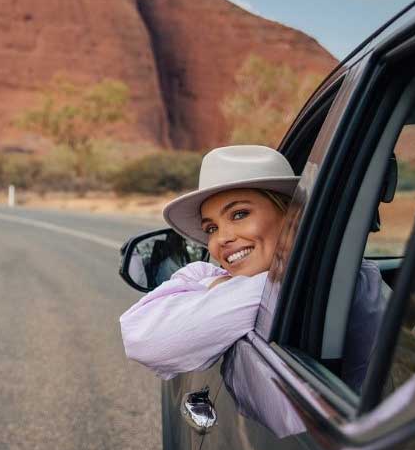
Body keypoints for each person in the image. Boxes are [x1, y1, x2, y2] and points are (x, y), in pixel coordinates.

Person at [120, 145, 384, 388]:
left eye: (239, 214)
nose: (221, 239)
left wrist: (228, 286)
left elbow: (143, 339)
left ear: (293, 218)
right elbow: (138, 331)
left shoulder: (333, 283)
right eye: (211, 228)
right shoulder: (216, 274)